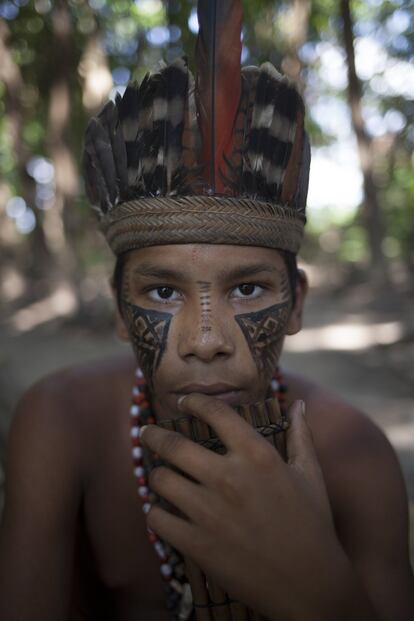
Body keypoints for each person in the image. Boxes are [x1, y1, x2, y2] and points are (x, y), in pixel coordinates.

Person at [0, 1, 413, 619]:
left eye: (247, 289)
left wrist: (320, 588)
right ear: (118, 310)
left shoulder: (355, 454)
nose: (207, 340)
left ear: (296, 301)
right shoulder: (62, 425)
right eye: (163, 292)